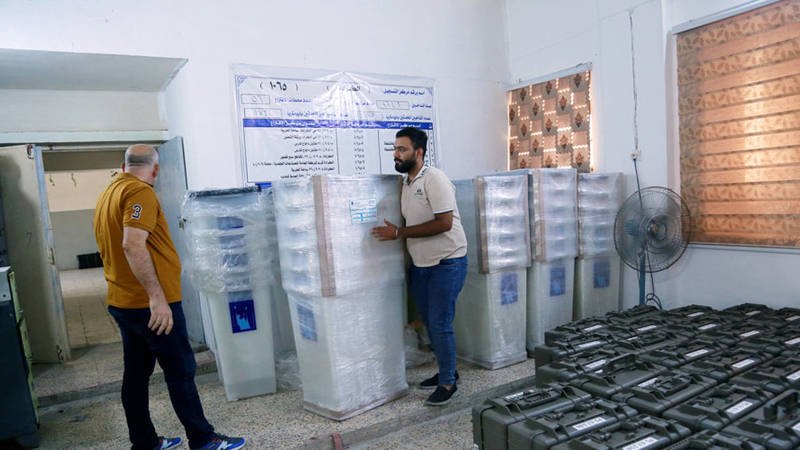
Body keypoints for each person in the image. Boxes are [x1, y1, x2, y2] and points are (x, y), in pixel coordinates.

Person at [94, 144, 245, 450]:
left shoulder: (109, 192)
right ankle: (203, 439)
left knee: (136, 376)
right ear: (155, 169)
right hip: (150, 306)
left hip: (124, 301)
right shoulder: (139, 193)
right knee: (181, 371)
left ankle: (144, 442)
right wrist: (157, 298)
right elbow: (132, 244)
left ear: (123, 166)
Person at [371, 127, 468, 406]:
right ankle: (447, 371)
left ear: (419, 152)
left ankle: (448, 383)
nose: (396, 154)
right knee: (429, 322)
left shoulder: (434, 179)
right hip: (422, 264)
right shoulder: (406, 183)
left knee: (439, 322)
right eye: (395, 149)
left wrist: (399, 233)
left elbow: (444, 223)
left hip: (447, 261)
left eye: (402, 149)